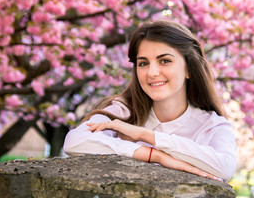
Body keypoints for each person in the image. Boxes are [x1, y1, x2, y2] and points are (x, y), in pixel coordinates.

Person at [63, 20, 237, 182]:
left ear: (189, 69)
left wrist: (146, 136)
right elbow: (75, 141)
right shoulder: (122, 111)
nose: (152, 73)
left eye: (165, 61)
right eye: (143, 63)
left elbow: (224, 168)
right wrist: (155, 155)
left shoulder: (212, 126)